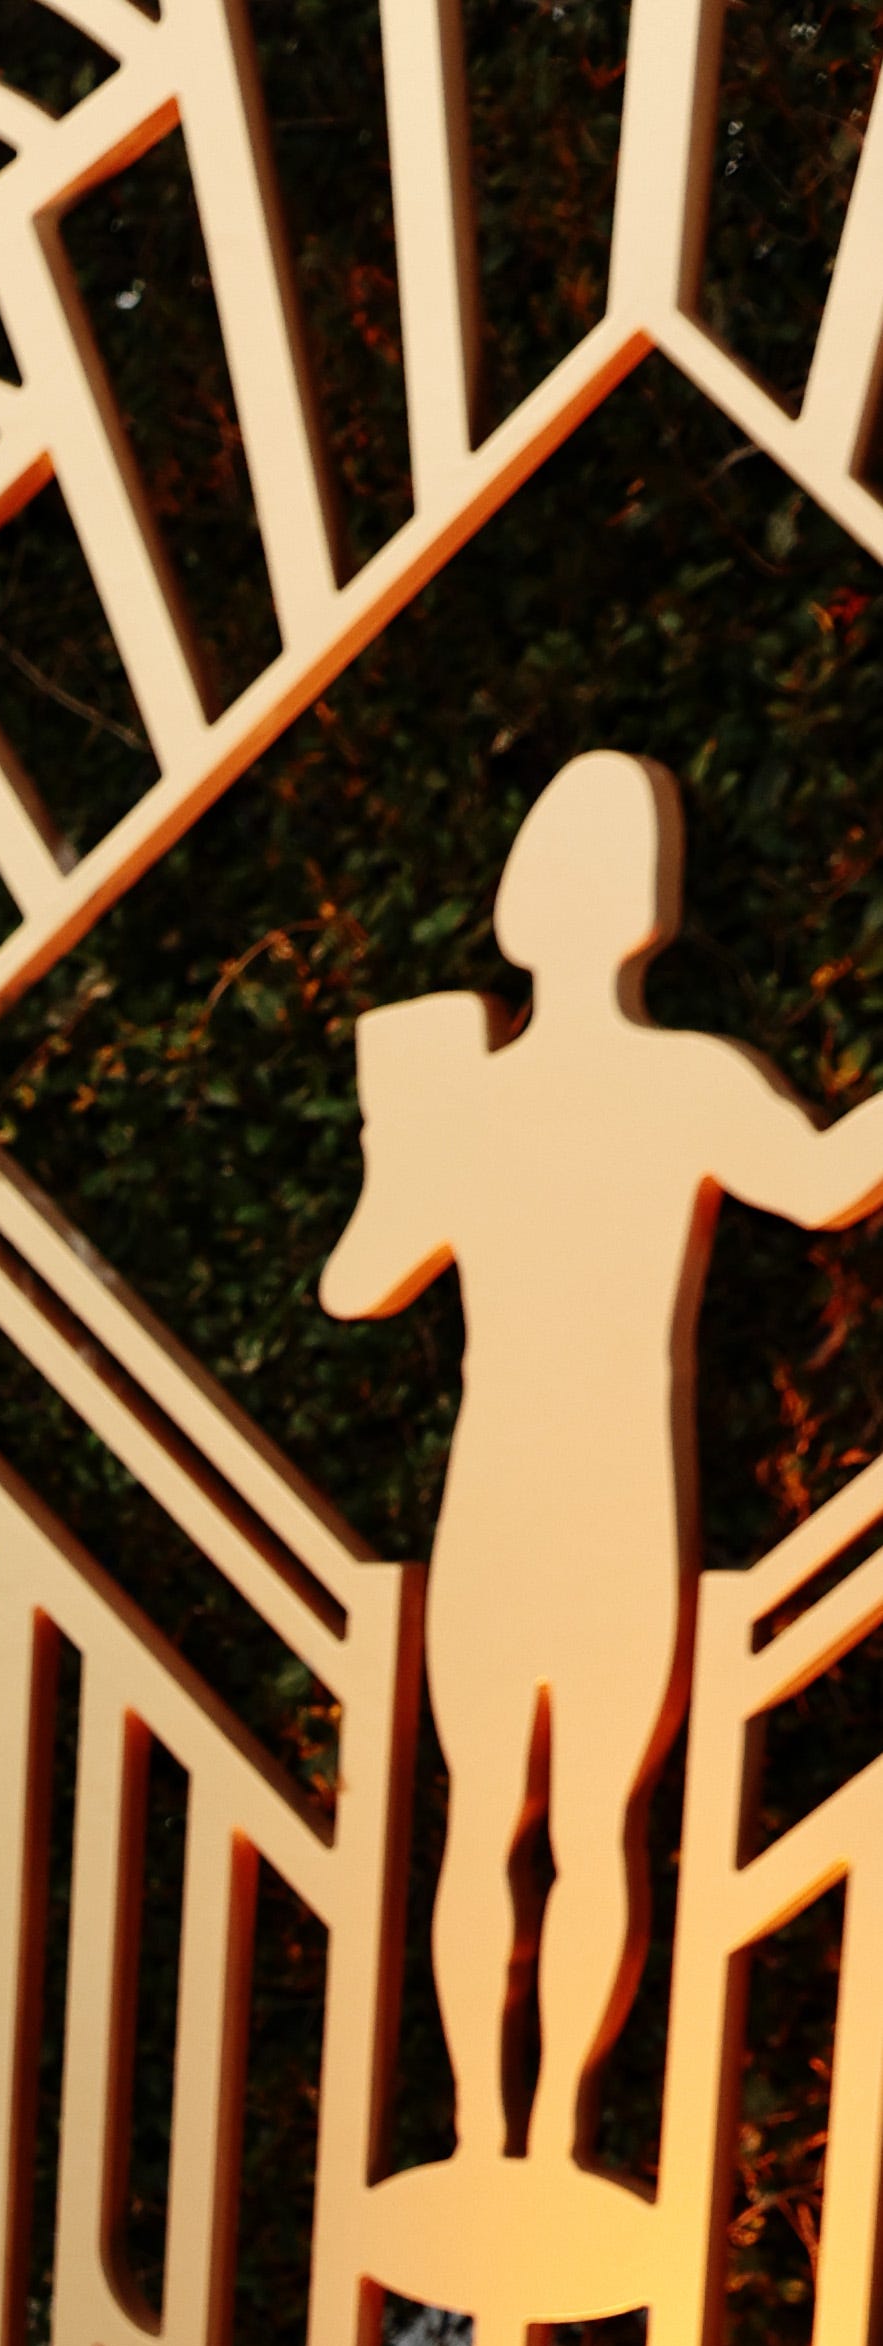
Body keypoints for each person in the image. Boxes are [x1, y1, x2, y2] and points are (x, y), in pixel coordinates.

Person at [322, 748, 883, 2162]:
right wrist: (407, 1132)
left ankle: (496, 2138)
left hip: (526, 1497)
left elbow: (356, 1276)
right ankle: (530, 2138)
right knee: (576, 1827)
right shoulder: (669, 1081)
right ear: (646, 902)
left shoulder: (492, 1095)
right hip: (590, 1499)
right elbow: (826, 1179)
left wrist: (405, 1136)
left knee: (499, 1826)